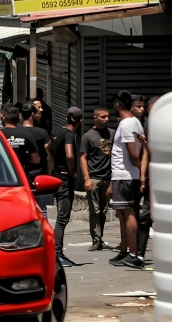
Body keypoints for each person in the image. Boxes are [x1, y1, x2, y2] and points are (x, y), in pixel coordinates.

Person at [108, 90, 144, 268]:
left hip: (125, 175)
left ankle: (134, 254)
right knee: (122, 214)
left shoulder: (127, 124)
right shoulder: (133, 123)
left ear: (117, 105)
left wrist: (138, 167)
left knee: (128, 213)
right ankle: (124, 250)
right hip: (121, 175)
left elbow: (132, 153)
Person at [80, 107, 114, 251]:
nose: (106, 119)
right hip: (94, 177)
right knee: (95, 210)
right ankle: (95, 239)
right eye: (102, 117)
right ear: (95, 118)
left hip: (108, 177)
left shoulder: (112, 133)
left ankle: (100, 238)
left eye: (107, 117)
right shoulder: (88, 136)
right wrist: (86, 178)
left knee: (104, 210)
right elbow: (83, 157)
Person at [51, 107, 81, 267]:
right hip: (64, 179)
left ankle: (57, 252)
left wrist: (51, 170)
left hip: (55, 177)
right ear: (79, 121)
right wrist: (72, 171)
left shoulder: (57, 132)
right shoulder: (70, 135)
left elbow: (48, 149)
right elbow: (69, 154)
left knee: (61, 217)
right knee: (63, 218)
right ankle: (57, 253)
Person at [136, 96, 156, 261]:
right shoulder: (148, 125)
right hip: (152, 179)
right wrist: (143, 177)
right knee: (145, 217)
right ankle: (139, 254)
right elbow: (145, 154)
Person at [0, 103, 40, 176]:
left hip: (1, 175)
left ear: (2, 116)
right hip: (21, 176)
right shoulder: (26, 135)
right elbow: (36, 160)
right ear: (18, 119)